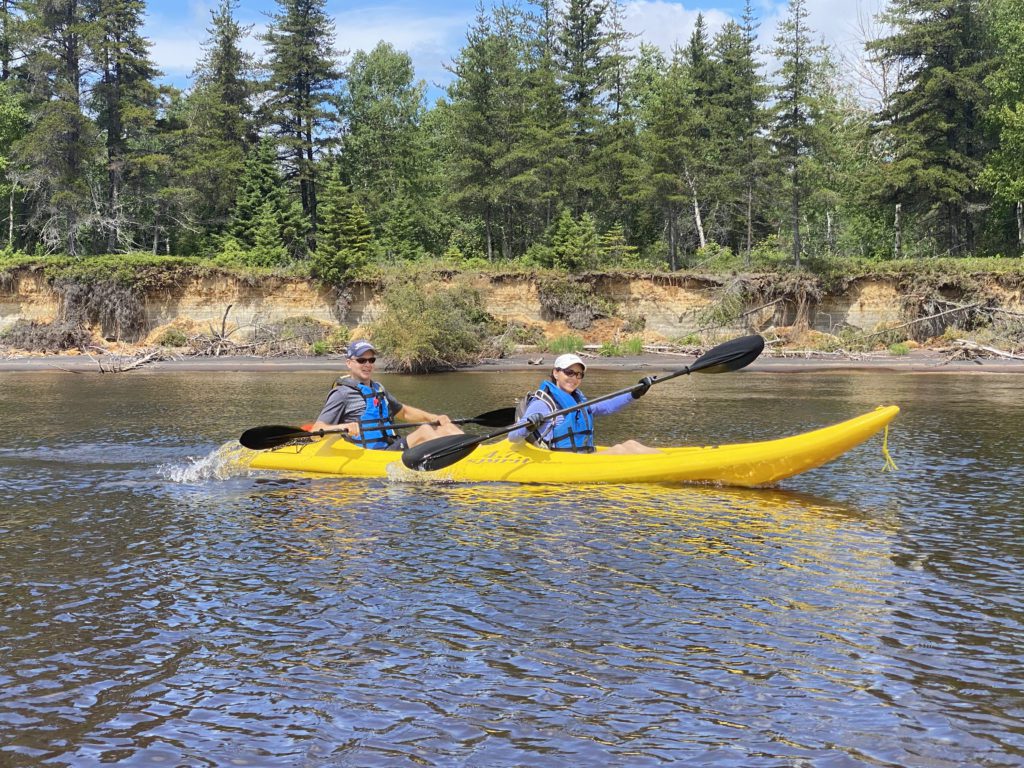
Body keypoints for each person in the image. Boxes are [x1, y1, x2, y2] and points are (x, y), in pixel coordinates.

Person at [308, 339, 464, 450]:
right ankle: (459, 463)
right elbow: (317, 431)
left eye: (371, 360)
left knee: (447, 427)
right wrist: (343, 427)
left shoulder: (378, 389)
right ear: (349, 363)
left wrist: (434, 418)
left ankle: (476, 456)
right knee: (424, 431)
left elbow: (404, 412)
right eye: (362, 360)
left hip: (390, 447)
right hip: (368, 456)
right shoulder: (341, 394)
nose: (367, 364)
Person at [507, 353, 660, 455]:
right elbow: (513, 436)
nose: (574, 378)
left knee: (631, 444)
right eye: (569, 372)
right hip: (563, 462)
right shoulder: (543, 403)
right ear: (555, 373)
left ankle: (671, 461)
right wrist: (529, 425)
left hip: (584, 456)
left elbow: (606, 406)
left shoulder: (578, 400)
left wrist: (635, 393)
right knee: (619, 450)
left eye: (579, 375)